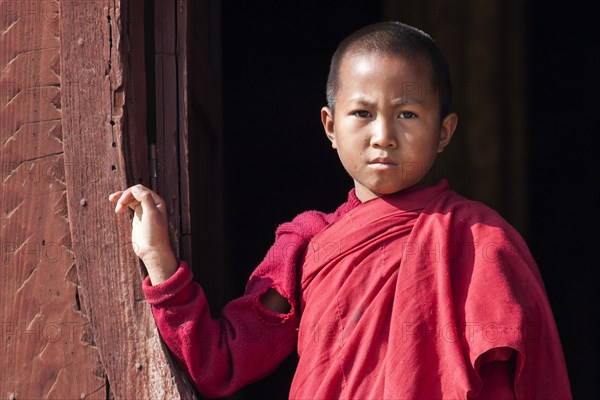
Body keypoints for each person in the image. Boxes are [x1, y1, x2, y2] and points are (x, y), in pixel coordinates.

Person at [109, 21, 571, 399]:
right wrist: (160, 261)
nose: (383, 135)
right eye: (362, 114)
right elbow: (220, 362)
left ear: (444, 131)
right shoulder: (307, 243)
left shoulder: (482, 239)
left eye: (408, 114)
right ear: (330, 126)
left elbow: (526, 382)